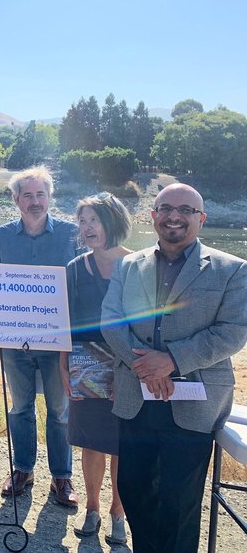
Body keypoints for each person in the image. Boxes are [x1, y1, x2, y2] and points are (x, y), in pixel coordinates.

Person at [102, 183, 247, 553]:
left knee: (179, 501)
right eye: (165, 208)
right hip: (137, 396)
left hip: (194, 406)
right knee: (133, 487)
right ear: (152, 216)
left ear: (201, 218)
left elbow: (233, 332)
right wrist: (146, 368)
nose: (174, 216)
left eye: (185, 210)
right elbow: (110, 321)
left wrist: (172, 360)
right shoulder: (129, 265)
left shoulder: (232, 270)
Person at [0, 166, 81, 506]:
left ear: (50, 197)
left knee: (60, 410)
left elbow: (80, 285)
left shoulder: (72, 234)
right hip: (13, 341)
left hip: (58, 342)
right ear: (16, 200)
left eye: (40, 194)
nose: (34, 201)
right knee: (20, 407)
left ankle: (62, 478)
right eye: (27, 195)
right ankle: (23, 470)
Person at [58, 193, 131, 545]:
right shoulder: (74, 268)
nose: (87, 228)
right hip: (84, 369)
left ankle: (119, 512)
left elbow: (146, 326)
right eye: (82, 221)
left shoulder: (138, 265)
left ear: (112, 221)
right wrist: (63, 367)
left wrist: (129, 371)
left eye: (94, 220)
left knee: (120, 445)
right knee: (90, 443)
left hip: (127, 368)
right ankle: (92, 508)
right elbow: (65, 325)